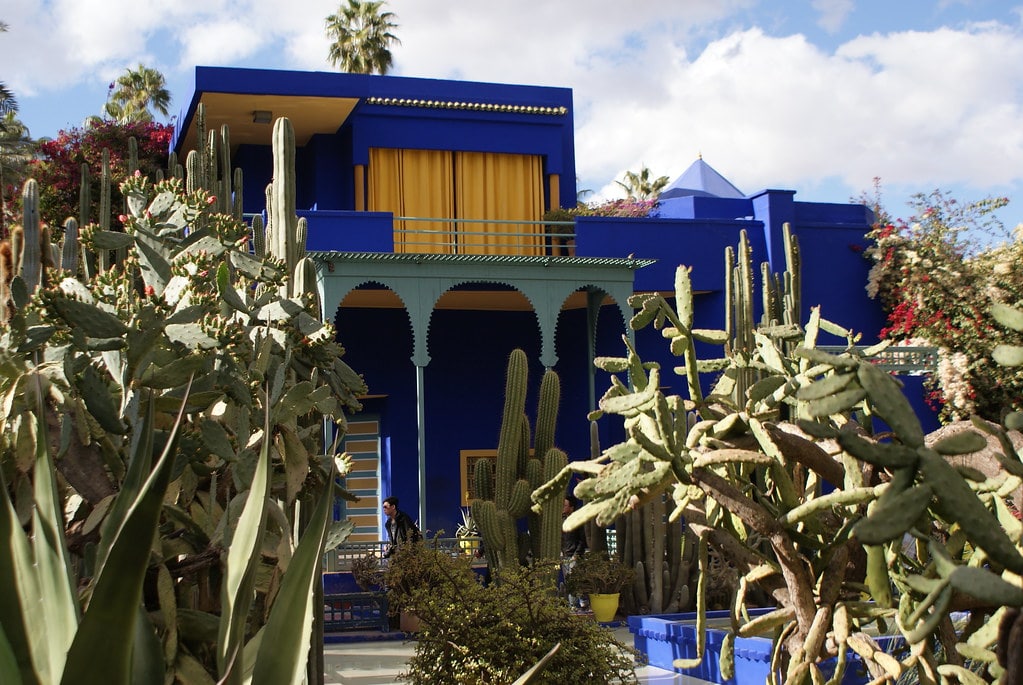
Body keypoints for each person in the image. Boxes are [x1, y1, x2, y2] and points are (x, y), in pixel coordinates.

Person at [561, 495, 588, 609]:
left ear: (571, 508)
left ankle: (577, 604)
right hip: (565, 555)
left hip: (573, 555)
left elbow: (582, 539)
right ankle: (575, 604)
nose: (563, 507)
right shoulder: (562, 520)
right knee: (569, 581)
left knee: (574, 581)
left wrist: (576, 555)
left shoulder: (577, 520)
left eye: (565, 505)